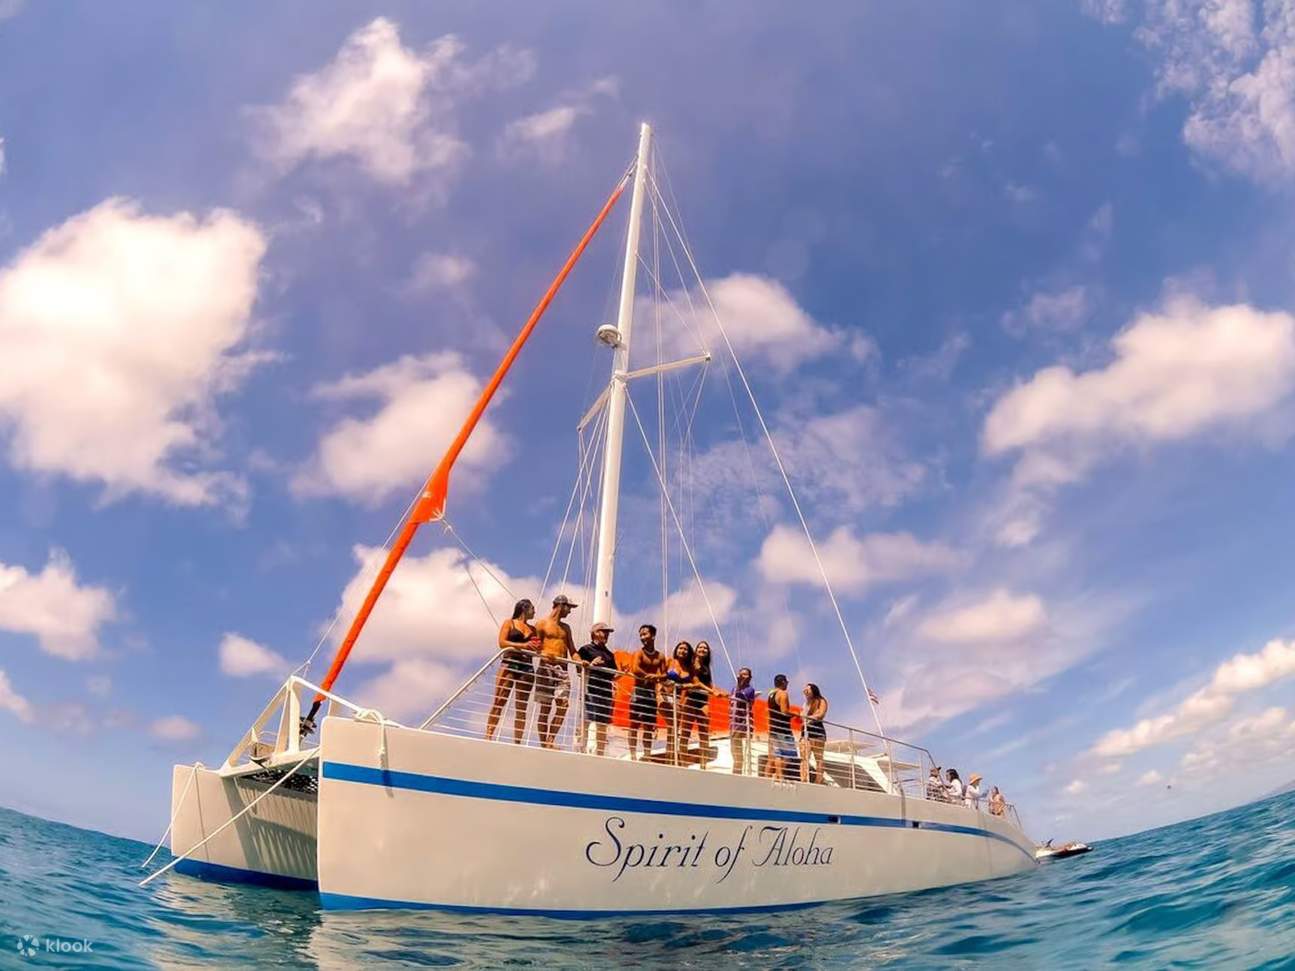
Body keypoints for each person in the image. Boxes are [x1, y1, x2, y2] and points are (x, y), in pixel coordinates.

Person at [485, 598, 540, 744]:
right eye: (532, 608)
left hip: (526, 665)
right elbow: (502, 643)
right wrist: (523, 646)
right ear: (524, 609)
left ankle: (517, 741)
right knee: (499, 700)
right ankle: (489, 735)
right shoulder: (509, 623)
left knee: (521, 706)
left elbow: (536, 648)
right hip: (510, 662)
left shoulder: (533, 629)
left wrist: (535, 648)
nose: (535, 611)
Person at [533, 594, 577, 749]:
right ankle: (544, 743)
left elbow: (572, 649)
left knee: (563, 705)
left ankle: (551, 739)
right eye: (569, 608)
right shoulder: (541, 624)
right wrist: (544, 653)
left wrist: (580, 663)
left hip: (562, 670)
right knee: (545, 707)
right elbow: (535, 646)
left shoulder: (566, 628)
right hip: (546, 667)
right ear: (560, 605)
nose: (570, 611)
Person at [577, 622, 621, 756]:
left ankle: (600, 752)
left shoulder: (609, 654)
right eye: (604, 631)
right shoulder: (585, 649)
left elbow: (613, 673)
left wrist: (621, 673)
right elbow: (579, 670)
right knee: (588, 718)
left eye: (608, 632)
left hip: (605, 691)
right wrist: (591, 664)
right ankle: (583, 748)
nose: (606, 635)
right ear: (595, 633)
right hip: (591, 687)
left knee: (602, 721)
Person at [628, 624, 667, 760]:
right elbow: (635, 669)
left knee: (648, 726)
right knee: (634, 724)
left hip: (650, 694)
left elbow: (664, 674)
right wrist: (648, 675)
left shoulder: (660, 656)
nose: (642, 637)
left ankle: (647, 753)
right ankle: (633, 753)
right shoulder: (639, 653)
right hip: (638, 692)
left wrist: (655, 677)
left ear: (653, 636)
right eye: (641, 635)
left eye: (645, 634)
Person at [681, 641, 719, 768]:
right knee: (686, 731)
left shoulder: (706, 667)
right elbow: (696, 682)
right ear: (696, 649)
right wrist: (712, 691)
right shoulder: (691, 664)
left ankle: (703, 764)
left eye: (705, 648)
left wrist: (716, 691)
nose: (703, 649)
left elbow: (709, 683)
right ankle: (683, 762)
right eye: (700, 647)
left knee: (704, 732)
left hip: (703, 700)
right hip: (691, 699)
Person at [664, 641, 697, 764]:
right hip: (666, 695)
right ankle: (669, 759)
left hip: (679, 699)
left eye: (685, 649)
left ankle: (674, 758)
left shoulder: (690, 669)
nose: (682, 651)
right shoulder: (669, 662)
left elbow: (694, 683)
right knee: (672, 725)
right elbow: (660, 677)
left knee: (675, 728)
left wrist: (684, 686)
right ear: (676, 650)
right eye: (680, 648)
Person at [766, 674, 795, 781]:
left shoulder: (771, 694)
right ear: (783, 682)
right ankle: (779, 776)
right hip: (783, 729)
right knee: (787, 756)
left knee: (773, 757)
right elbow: (784, 711)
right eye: (786, 682)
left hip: (773, 727)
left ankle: (767, 778)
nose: (787, 684)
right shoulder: (783, 694)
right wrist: (795, 715)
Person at [729, 667, 756, 775]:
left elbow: (742, 698)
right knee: (733, 749)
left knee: (737, 749)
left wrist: (740, 684)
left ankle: (737, 771)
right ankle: (736, 770)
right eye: (741, 674)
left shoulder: (750, 689)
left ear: (749, 677)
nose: (742, 676)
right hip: (733, 723)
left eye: (745, 674)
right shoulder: (733, 689)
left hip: (742, 722)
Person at [800, 683, 829, 784]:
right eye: (805, 690)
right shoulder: (805, 704)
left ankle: (818, 780)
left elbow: (821, 714)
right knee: (804, 757)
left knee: (819, 758)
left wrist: (809, 718)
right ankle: (803, 779)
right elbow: (801, 716)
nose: (805, 691)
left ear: (814, 690)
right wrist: (809, 717)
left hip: (817, 732)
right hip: (805, 732)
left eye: (808, 689)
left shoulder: (821, 701)